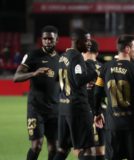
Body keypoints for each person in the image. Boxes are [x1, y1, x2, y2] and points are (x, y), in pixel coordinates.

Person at [93, 35, 134, 160]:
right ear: (128, 49)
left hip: (113, 123)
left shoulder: (104, 68)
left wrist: (96, 112)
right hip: (132, 124)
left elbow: (97, 93)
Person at [13, 25, 60, 160]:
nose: (47, 41)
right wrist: (34, 73)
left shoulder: (61, 60)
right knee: (36, 145)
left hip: (54, 110)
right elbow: (16, 77)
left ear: (56, 40)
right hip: (36, 109)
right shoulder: (32, 55)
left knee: (54, 148)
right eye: (45, 38)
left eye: (50, 39)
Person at [53, 28, 98, 160]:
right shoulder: (77, 56)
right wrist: (96, 73)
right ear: (78, 42)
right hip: (77, 108)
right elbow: (79, 80)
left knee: (63, 149)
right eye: (87, 41)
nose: (89, 44)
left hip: (63, 107)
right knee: (88, 150)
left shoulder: (62, 57)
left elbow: (57, 79)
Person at [82, 39, 105, 160]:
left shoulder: (80, 67)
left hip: (84, 111)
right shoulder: (103, 67)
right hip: (102, 111)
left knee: (83, 148)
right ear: (97, 52)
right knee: (100, 148)